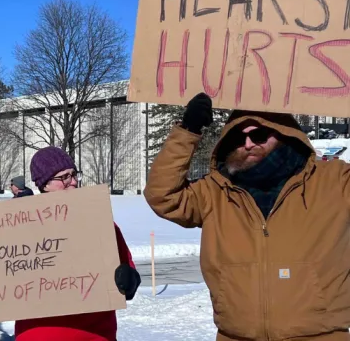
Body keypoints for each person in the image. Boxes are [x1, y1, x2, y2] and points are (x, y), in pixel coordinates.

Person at [144, 92, 350, 341]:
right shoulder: (215, 191)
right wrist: (188, 130)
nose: (249, 143)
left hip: (321, 335)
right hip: (236, 335)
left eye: (259, 134)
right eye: (238, 138)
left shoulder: (334, 181)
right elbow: (162, 196)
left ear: (284, 131)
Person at [13, 146, 141, 341]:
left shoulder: (99, 221)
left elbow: (126, 266)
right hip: (40, 334)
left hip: (95, 333)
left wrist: (129, 280)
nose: (72, 182)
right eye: (63, 177)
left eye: (74, 175)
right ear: (44, 184)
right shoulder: (18, 228)